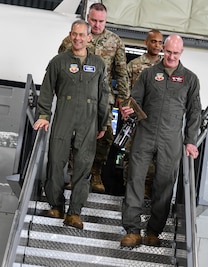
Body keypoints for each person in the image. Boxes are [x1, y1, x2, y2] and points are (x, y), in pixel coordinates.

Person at [120, 34, 202, 248]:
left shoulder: (190, 79)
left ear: (181, 52)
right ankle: (132, 230)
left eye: (176, 53)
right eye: (169, 51)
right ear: (163, 50)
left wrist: (190, 141)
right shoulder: (148, 74)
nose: (172, 56)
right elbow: (135, 99)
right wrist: (129, 108)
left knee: (164, 185)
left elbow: (194, 113)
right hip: (145, 133)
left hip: (171, 138)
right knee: (135, 179)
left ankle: (154, 231)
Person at [33, 19, 109, 230]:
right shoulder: (58, 62)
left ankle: (74, 213)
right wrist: (43, 115)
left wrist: (103, 124)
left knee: (83, 167)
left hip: (88, 121)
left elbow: (104, 96)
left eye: (81, 35)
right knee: (57, 161)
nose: (77, 38)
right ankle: (56, 205)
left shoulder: (99, 64)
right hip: (64, 118)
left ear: (89, 37)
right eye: (74, 34)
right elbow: (47, 90)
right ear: (70, 35)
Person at [59, 3, 130, 193]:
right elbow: (61, 67)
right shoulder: (72, 39)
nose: (97, 25)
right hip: (77, 97)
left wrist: (123, 99)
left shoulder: (115, 42)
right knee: (75, 137)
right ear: (87, 18)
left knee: (104, 138)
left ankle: (96, 173)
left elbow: (122, 73)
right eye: (93, 20)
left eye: (101, 21)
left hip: (103, 99)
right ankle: (76, 176)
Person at [124, 29, 163, 199]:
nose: (157, 45)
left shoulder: (166, 67)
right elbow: (125, 90)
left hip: (155, 121)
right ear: (146, 42)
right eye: (153, 41)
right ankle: (127, 187)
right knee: (131, 152)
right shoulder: (134, 65)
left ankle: (146, 190)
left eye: (160, 42)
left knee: (152, 157)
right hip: (135, 118)